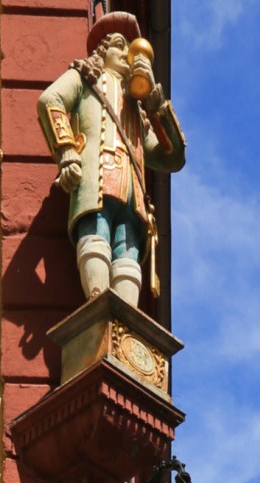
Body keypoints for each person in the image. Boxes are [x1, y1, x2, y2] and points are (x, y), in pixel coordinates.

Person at [37, 15, 186, 307]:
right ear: (102, 51)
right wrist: (66, 150)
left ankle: (124, 316)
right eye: (119, 45)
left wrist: (155, 103)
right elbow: (50, 100)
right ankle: (98, 302)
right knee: (96, 232)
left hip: (132, 191)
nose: (127, 54)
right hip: (98, 178)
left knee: (127, 250)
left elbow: (172, 157)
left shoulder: (139, 112)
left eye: (131, 49)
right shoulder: (86, 79)